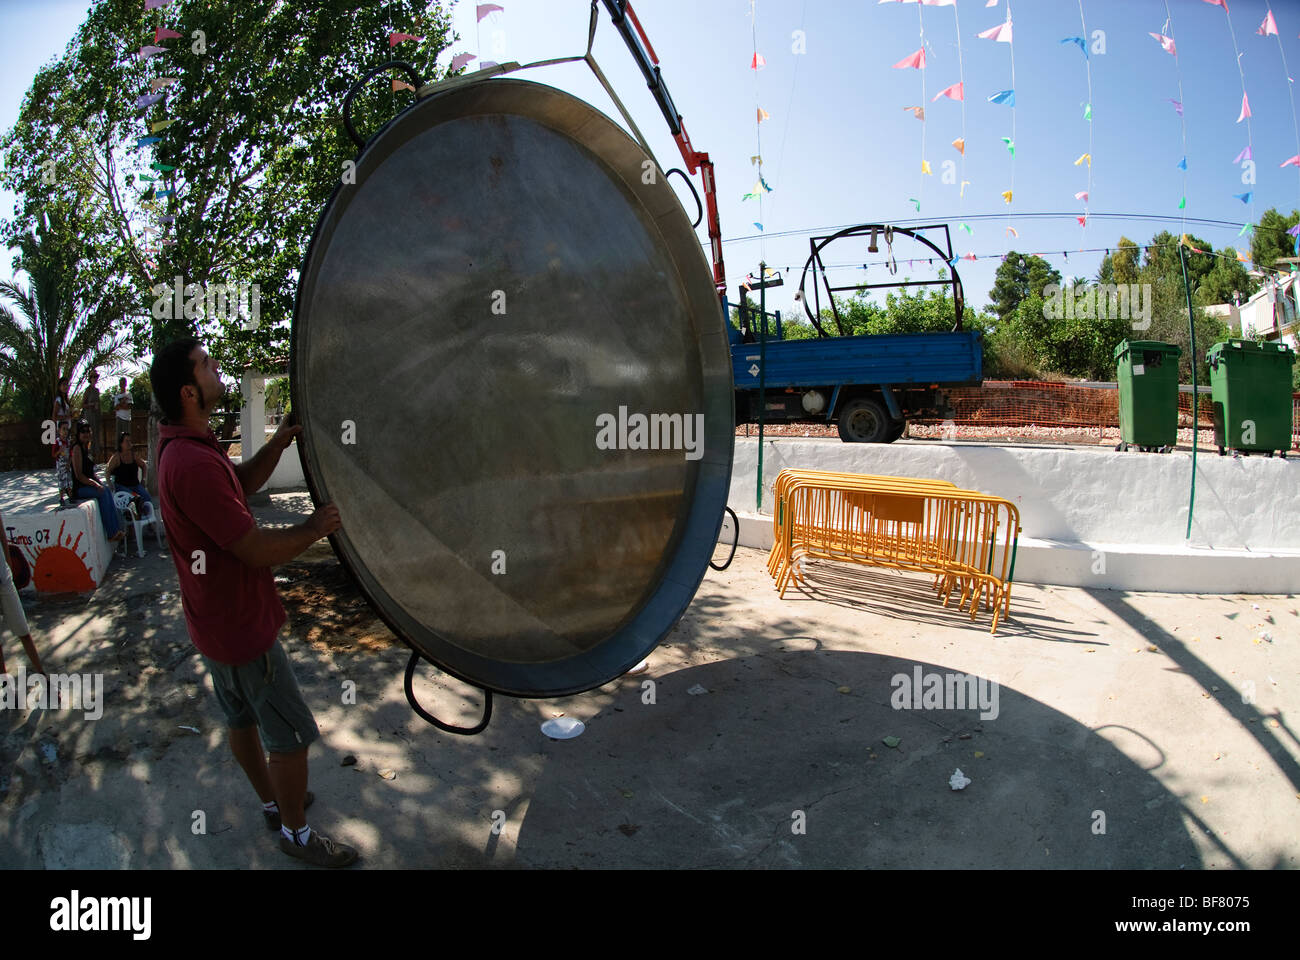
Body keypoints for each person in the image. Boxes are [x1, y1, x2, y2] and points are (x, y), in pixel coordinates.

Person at [150, 337, 356, 867]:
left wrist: (279, 444)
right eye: (208, 366)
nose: (218, 370)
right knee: (289, 734)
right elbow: (255, 549)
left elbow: (239, 485)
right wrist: (313, 527)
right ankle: (298, 835)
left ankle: (272, 803)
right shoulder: (192, 463)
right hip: (241, 629)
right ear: (189, 391)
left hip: (212, 625)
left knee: (241, 720)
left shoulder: (188, 447)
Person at [0, 506, 45, 677]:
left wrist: (8, 567)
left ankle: (41, 674)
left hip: (4, 578)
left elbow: (3, 536)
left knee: (23, 631)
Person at [69, 420, 125, 543]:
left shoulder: (85, 448)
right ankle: (112, 532)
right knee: (103, 492)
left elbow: (90, 472)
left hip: (87, 484)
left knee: (107, 491)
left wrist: (98, 481)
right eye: (83, 431)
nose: (86, 434)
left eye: (88, 431)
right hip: (80, 488)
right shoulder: (77, 449)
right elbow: (79, 475)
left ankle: (117, 529)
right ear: (78, 434)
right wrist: (95, 484)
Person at [106, 432, 152, 509]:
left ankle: (146, 518)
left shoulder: (133, 455)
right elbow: (107, 471)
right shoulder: (116, 457)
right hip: (122, 486)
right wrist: (110, 484)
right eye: (126, 441)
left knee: (147, 498)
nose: (129, 443)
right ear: (121, 444)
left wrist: (143, 479)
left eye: (130, 441)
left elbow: (143, 465)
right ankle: (135, 518)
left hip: (135, 485)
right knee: (134, 498)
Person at [81, 370, 102, 458]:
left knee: (96, 436)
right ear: (90, 379)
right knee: (89, 436)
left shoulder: (97, 390)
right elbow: (83, 404)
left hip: (96, 415)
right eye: (93, 377)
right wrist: (91, 405)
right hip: (89, 415)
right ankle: (88, 457)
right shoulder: (88, 390)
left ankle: (95, 459)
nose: (94, 379)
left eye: (95, 377)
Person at [52, 421, 74, 506]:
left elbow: (71, 453)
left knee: (69, 480)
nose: (65, 431)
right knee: (61, 481)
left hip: (67, 464)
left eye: (67, 429)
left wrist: (69, 462)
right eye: (63, 429)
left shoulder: (68, 442)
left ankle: (71, 496)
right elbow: (53, 454)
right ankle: (61, 498)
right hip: (60, 465)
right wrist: (59, 451)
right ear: (59, 430)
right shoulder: (57, 442)